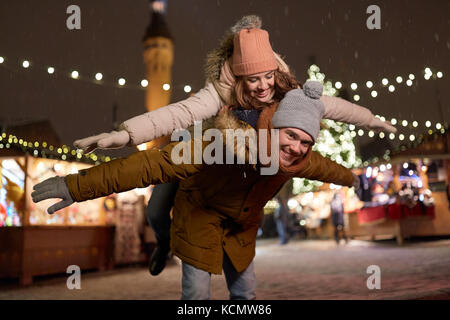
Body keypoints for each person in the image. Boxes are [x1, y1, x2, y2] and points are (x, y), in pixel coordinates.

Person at [72, 16, 396, 276]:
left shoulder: (287, 92)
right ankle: (163, 242)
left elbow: (334, 106)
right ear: (240, 75)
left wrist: (373, 120)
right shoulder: (219, 91)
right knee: (157, 211)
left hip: (222, 173)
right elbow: (179, 112)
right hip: (189, 151)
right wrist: (127, 134)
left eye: (267, 76)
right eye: (253, 79)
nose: (263, 86)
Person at [33, 82, 360, 300]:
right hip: (195, 198)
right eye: (292, 136)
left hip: (240, 226)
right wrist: (76, 185)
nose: (298, 148)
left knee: (245, 294)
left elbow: (329, 168)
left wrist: (355, 179)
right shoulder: (221, 137)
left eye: (306, 142)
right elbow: (147, 167)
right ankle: (164, 244)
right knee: (161, 219)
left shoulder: (299, 159)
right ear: (272, 128)